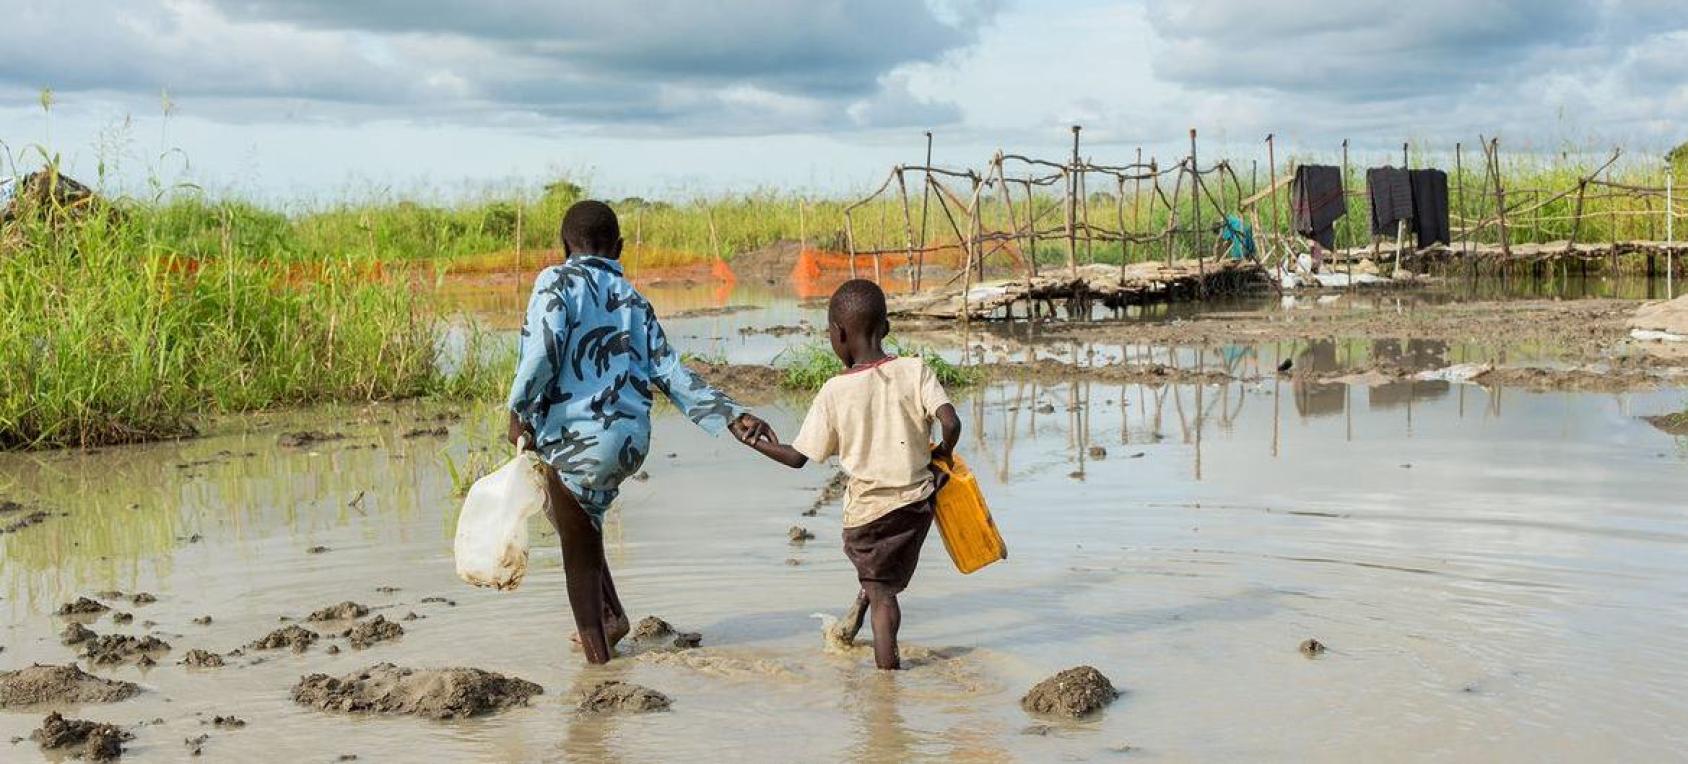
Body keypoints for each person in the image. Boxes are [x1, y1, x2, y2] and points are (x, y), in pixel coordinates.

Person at [506, 200, 768, 664]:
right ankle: (613, 617)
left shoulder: (555, 280)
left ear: (564, 245)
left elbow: (543, 351)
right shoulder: (632, 299)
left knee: (576, 553)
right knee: (582, 527)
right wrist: (731, 414)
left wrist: (519, 409)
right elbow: (670, 371)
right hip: (629, 442)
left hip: (578, 441)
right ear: (620, 247)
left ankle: (599, 662)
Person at [745, 279, 961, 670]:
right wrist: (942, 455)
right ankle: (860, 607)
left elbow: (797, 458)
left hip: (867, 518)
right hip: (915, 507)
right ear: (887, 328)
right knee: (884, 578)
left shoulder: (834, 391)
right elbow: (950, 421)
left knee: (884, 599)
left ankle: (886, 683)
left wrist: (754, 442)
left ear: (838, 334)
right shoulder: (915, 370)